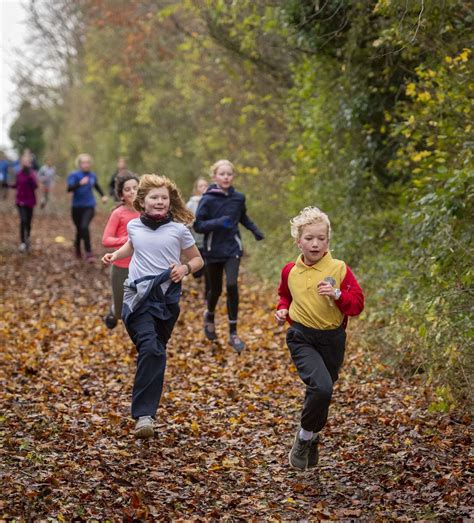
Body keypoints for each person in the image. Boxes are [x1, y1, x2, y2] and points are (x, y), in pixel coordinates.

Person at [101, 174, 203, 439]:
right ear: (142, 202)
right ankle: (144, 416)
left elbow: (197, 260)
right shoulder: (134, 226)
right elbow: (131, 246)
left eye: (164, 198)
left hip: (166, 299)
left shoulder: (179, 229)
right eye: (154, 197)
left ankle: (145, 411)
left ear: (170, 203)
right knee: (151, 348)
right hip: (137, 297)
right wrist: (115, 255)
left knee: (155, 350)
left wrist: (184, 268)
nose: (159, 202)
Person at [275, 206, 365, 471]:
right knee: (322, 387)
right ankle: (303, 439)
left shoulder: (339, 269)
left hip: (333, 339)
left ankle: (313, 437)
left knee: (323, 393)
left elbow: (357, 305)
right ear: (298, 241)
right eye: (309, 238)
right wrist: (282, 309)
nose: (315, 244)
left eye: (321, 238)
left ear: (328, 240)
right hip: (301, 335)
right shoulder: (290, 270)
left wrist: (338, 295)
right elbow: (285, 295)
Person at [194, 159, 264, 353]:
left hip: (233, 248)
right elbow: (198, 225)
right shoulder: (207, 199)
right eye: (222, 174)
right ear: (214, 177)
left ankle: (233, 332)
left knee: (232, 285)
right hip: (212, 250)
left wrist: (254, 230)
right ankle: (210, 314)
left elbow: (242, 217)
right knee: (215, 290)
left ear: (233, 177)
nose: (226, 177)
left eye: (229, 174)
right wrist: (218, 223)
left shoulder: (238, 198)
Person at [102, 171, 140, 329]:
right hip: (121, 267)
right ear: (121, 194)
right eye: (127, 189)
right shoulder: (118, 213)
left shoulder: (147, 210)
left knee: (143, 307)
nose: (132, 191)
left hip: (143, 267)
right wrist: (127, 239)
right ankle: (113, 310)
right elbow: (106, 240)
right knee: (119, 313)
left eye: (135, 188)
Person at [67, 153, 107, 262]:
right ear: (79, 164)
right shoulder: (74, 175)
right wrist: (79, 183)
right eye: (83, 162)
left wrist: (103, 195)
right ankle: (77, 247)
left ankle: (89, 252)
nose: (86, 164)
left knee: (84, 227)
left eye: (87, 162)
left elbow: (96, 186)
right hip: (76, 207)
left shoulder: (92, 175)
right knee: (79, 229)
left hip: (89, 206)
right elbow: (69, 189)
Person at [186, 177, 209, 298]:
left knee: (207, 266)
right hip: (195, 239)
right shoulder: (191, 203)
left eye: (206, 185)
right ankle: (198, 279)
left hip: (208, 240)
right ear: (196, 189)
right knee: (198, 268)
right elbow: (186, 220)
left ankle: (206, 291)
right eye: (201, 186)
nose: (203, 188)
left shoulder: (211, 201)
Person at [10, 152, 38, 252]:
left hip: (30, 201)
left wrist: (30, 178)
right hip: (20, 200)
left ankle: (27, 238)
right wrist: (7, 185)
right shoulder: (18, 174)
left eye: (27, 162)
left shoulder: (32, 174)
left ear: (30, 163)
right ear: (21, 163)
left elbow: (35, 186)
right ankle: (22, 242)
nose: (25, 163)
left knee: (29, 222)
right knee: (23, 220)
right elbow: (16, 185)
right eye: (24, 162)